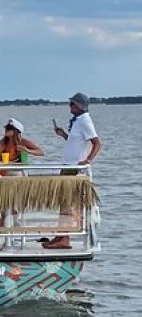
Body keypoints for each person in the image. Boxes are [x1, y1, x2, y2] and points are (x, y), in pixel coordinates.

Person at [44, 92, 101, 250]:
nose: (69, 107)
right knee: (63, 202)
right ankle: (61, 235)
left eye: (72, 104)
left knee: (67, 202)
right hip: (68, 165)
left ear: (79, 106)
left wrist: (88, 160)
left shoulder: (85, 121)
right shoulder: (77, 122)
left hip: (74, 168)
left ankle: (65, 238)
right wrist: (63, 135)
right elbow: (75, 142)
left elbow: (97, 143)